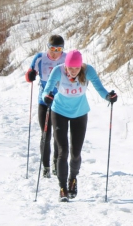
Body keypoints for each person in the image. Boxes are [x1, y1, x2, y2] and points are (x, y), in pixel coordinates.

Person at [41, 49, 118, 202]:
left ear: (81, 65)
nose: (74, 71)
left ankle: (72, 179)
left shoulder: (88, 70)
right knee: (63, 151)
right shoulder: (58, 70)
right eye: (71, 68)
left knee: (76, 153)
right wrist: (47, 97)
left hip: (80, 113)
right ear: (66, 65)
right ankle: (62, 188)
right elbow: (47, 89)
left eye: (77, 68)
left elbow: (99, 88)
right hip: (59, 112)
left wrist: (109, 97)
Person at [25, 35, 67, 178]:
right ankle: (46, 166)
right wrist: (30, 75)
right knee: (46, 135)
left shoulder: (66, 59)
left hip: (60, 102)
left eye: (59, 49)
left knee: (58, 135)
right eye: (52, 49)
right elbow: (29, 74)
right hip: (44, 102)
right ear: (47, 48)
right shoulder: (40, 58)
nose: (55, 53)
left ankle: (56, 163)